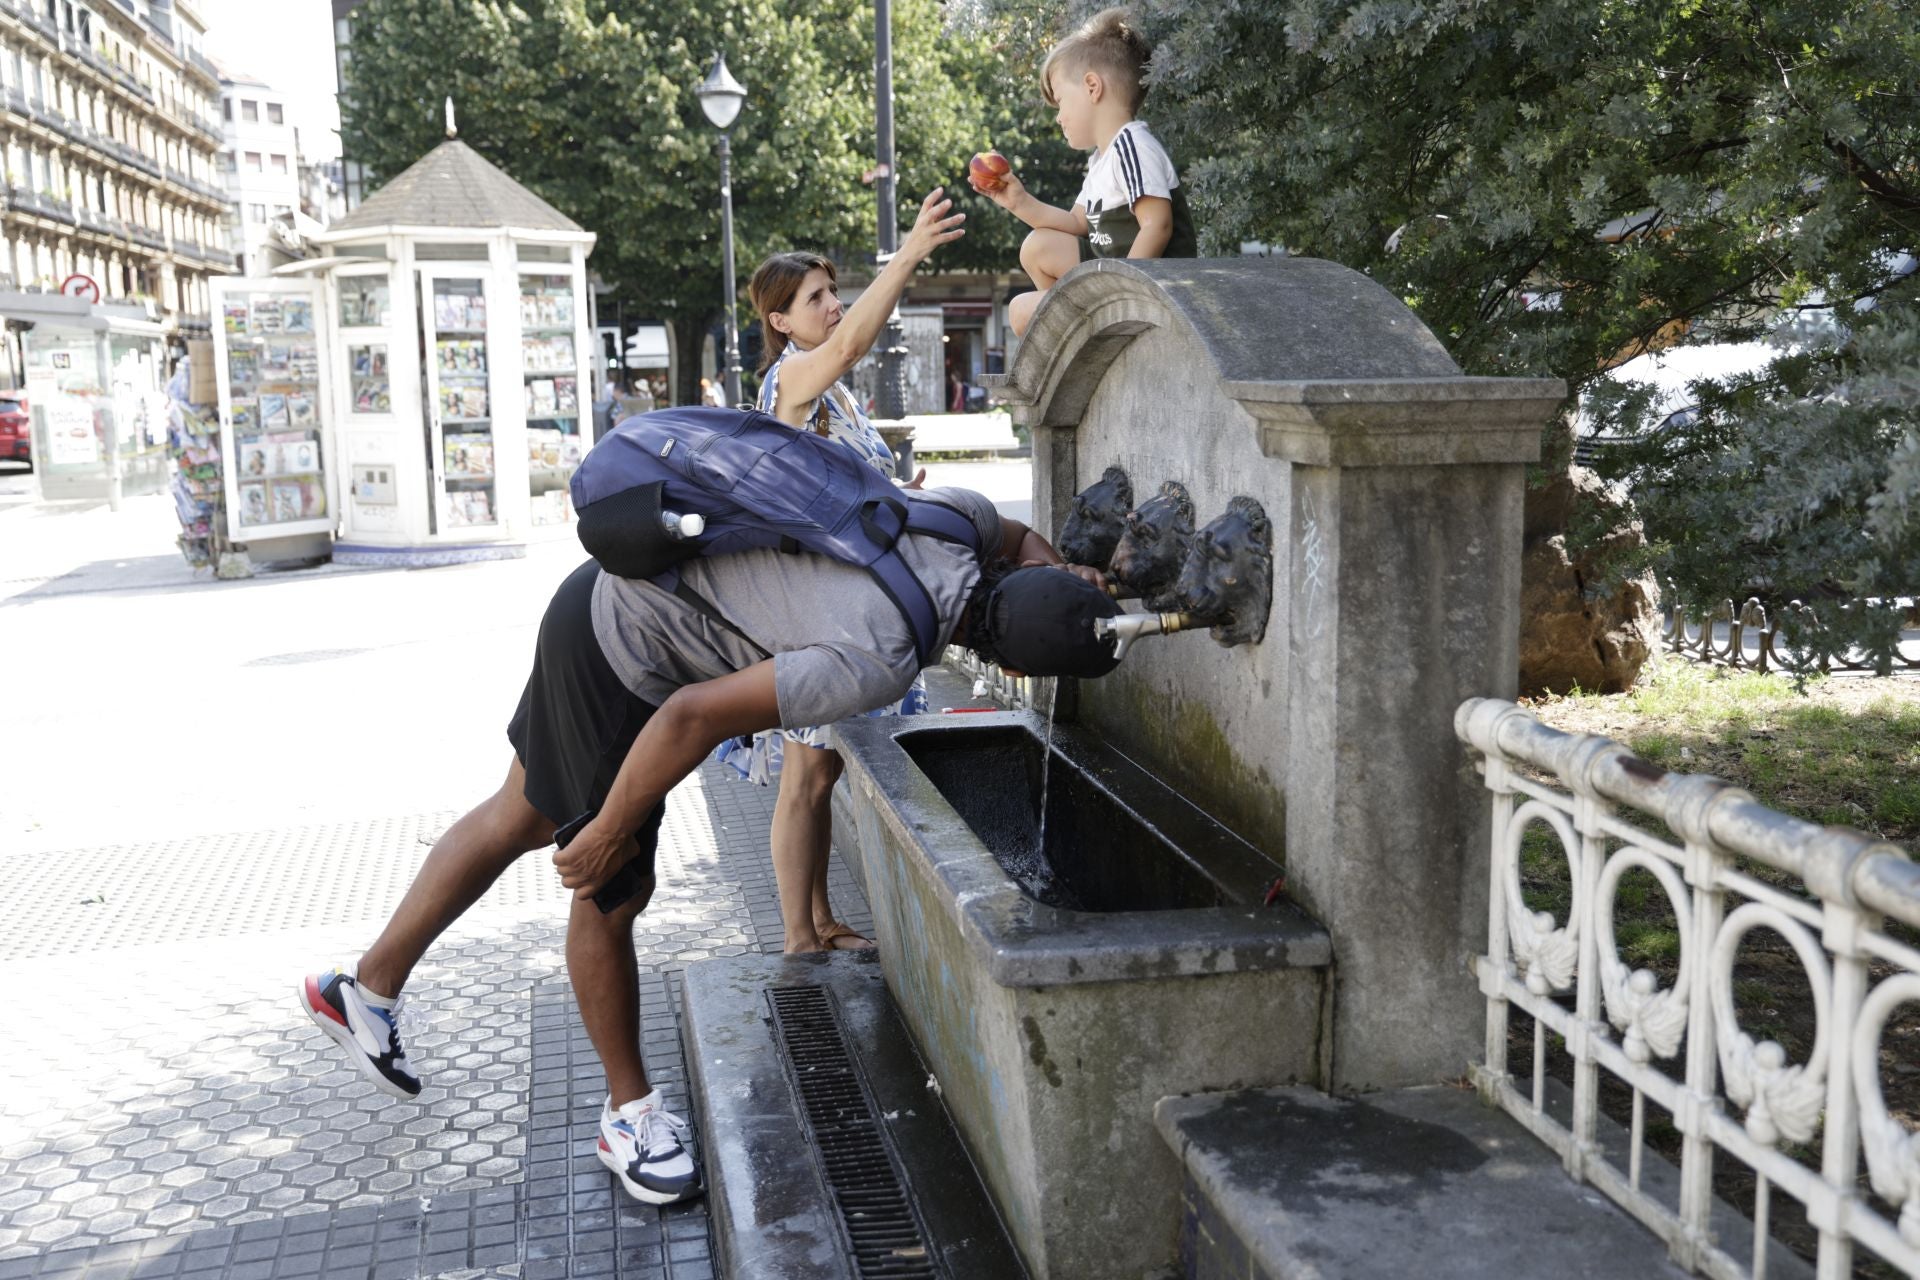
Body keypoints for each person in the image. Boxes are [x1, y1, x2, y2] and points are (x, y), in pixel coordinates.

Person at [719, 194, 960, 953]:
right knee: (806, 775)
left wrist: (897, 494)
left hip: (849, 608)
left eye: (833, 291)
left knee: (821, 774)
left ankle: (822, 921)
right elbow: (852, 346)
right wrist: (909, 253)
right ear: (781, 321)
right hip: (818, 615)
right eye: (817, 298)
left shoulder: (832, 394)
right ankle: (800, 936)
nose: (834, 305)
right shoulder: (793, 379)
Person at [974, 6, 1197, 337]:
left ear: (1092, 87)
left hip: (1150, 291)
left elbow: (1157, 226)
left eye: (1061, 100)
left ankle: (1087, 331)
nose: (1058, 116)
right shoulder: (1100, 161)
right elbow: (1076, 223)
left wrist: (1123, 296)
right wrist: (1017, 201)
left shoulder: (1132, 146)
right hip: (1111, 275)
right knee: (1037, 247)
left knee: (1022, 312)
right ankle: (1081, 333)